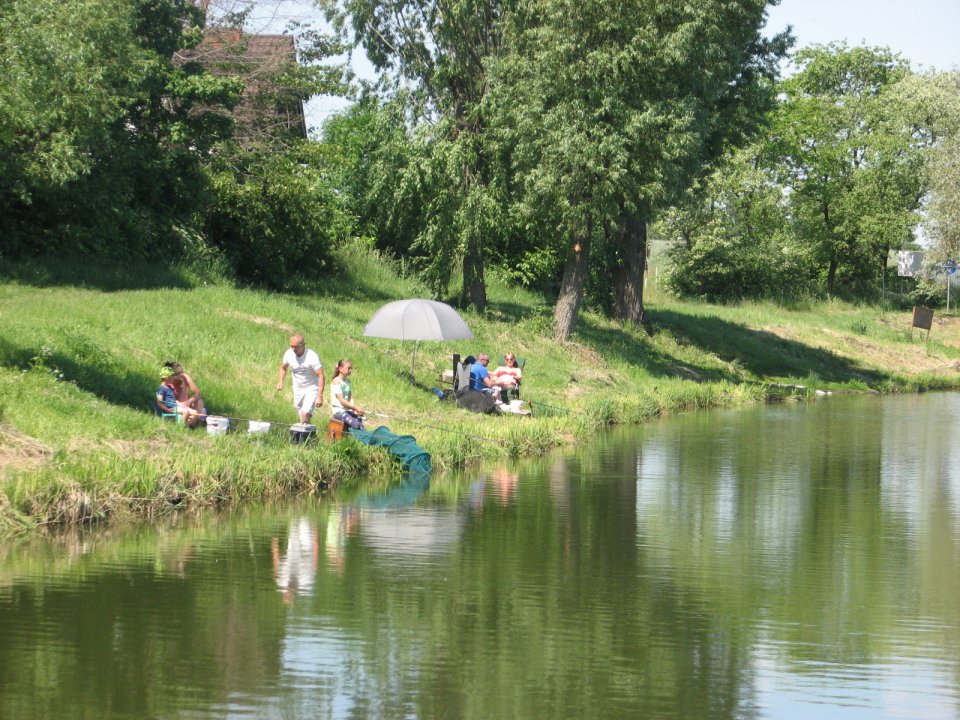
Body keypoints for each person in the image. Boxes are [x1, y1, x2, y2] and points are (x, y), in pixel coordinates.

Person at [276, 333, 325, 423]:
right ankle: (308, 435)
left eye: (297, 347)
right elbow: (283, 367)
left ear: (304, 344)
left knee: (305, 413)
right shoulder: (289, 354)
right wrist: (280, 381)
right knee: (302, 416)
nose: (294, 349)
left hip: (311, 388)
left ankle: (305, 435)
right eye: (292, 346)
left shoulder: (312, 356)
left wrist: (319, 396)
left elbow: (321, 375)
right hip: (298, 389)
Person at [330, 358, 365, 430]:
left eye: (351, 368)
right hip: (338, 411)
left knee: (360, 422)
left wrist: (355, 410)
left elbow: (350, 398)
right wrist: (355, 407)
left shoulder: (348, 382)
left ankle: (361, 439)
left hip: (347, 410)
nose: (350, 370)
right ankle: (349, 436)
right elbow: (342, 401)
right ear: (340, 369)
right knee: (355, 424)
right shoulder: (336, 382)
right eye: (348, 368)